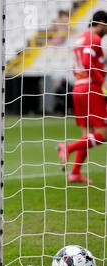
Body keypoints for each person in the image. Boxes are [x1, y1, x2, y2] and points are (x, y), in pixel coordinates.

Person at [58, 11, 107, 183]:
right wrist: (102, 83)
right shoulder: (95, 39)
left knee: (88, 134)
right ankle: (68, 148)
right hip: (90, 88)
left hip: (78, 87)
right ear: (101, 23)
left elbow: (76, 66)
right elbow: (86, 62)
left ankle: (75, 173)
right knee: (103, 134)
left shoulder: (80, 38)